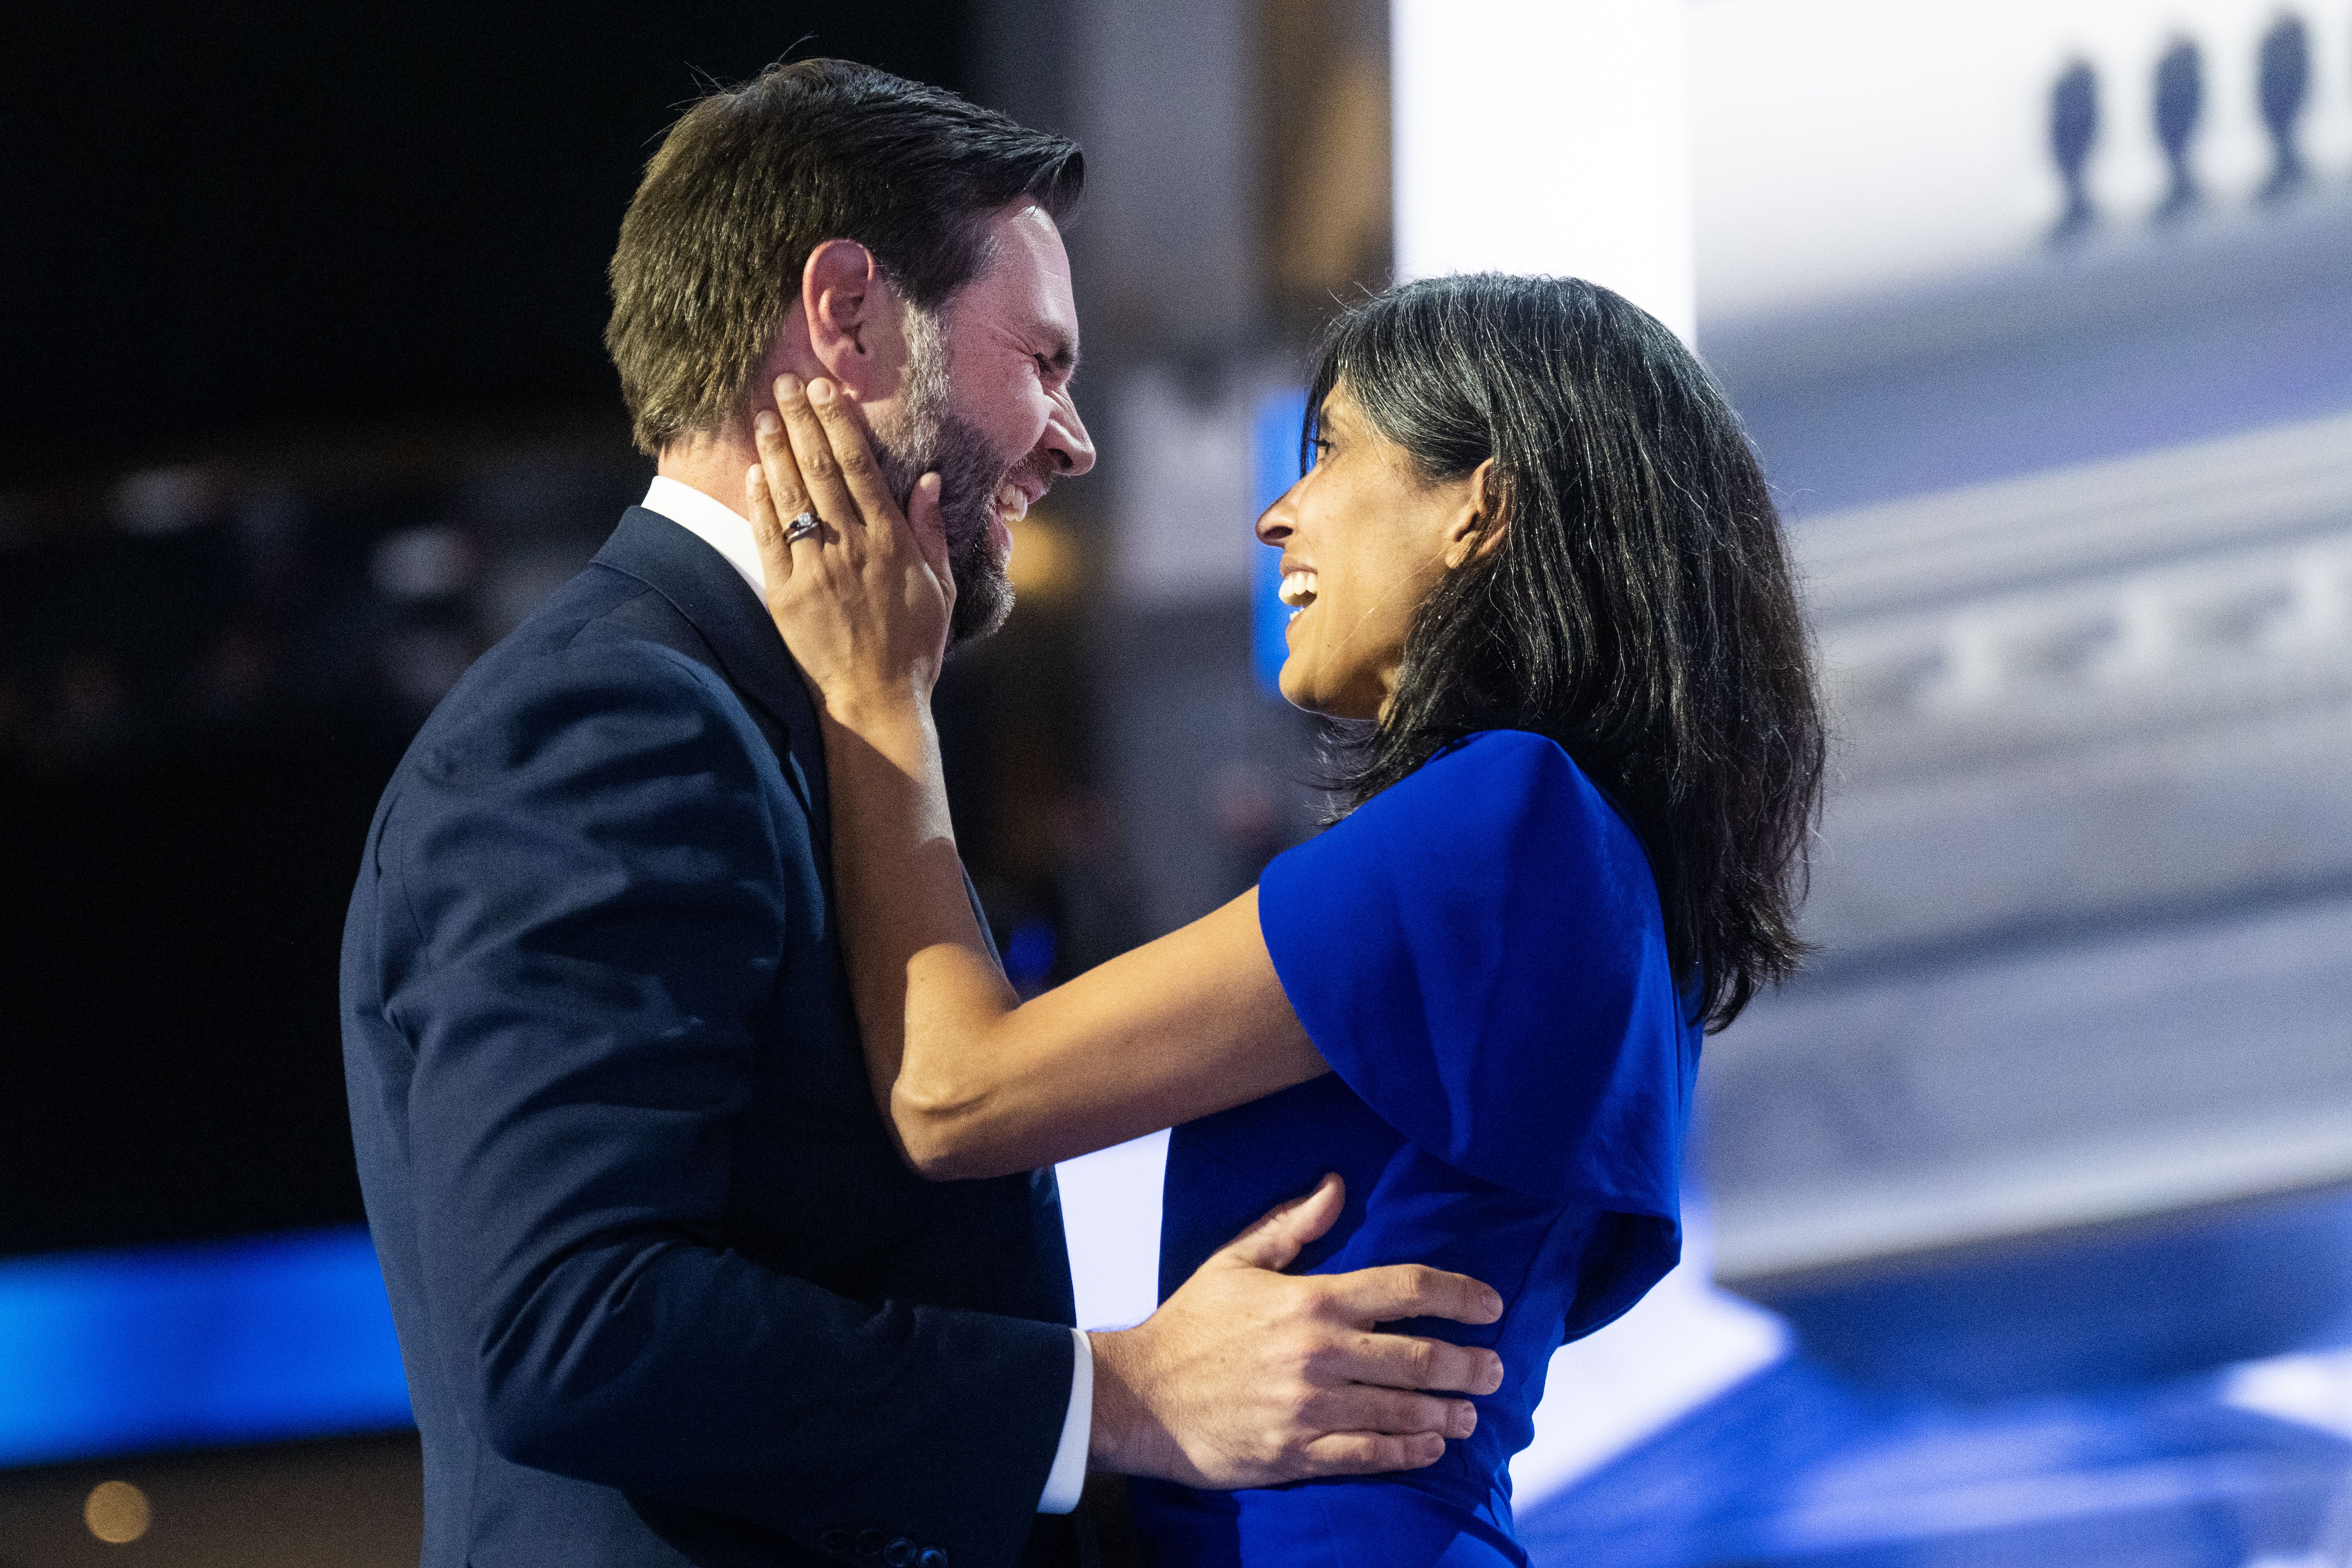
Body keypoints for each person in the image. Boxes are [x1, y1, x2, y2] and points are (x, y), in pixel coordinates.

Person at [339, 60, 1508, 1568]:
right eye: (1042, 359)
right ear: (842, 317)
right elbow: (576, 1323)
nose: (1071, 438)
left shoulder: (779, 702)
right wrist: (1120, 1393)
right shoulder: (615, 722)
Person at [741, 271, 1826, 1566]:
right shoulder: (1606, 873)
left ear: (1481, 507)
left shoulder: (1506, 818)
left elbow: (952, 1091)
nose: (1277, 514)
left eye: (1329, 453)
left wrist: (880, 695)